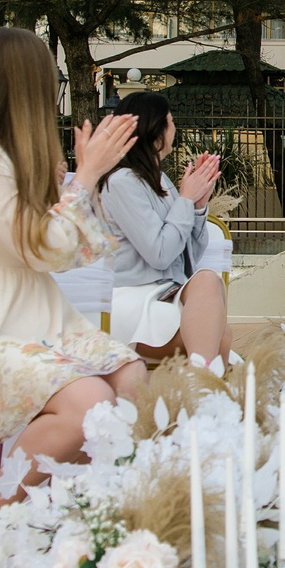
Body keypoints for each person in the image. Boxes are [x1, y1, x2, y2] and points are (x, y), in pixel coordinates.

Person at [0, 27, 142, 568]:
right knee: (89, 404)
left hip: (30, 320)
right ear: (29, 87)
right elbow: (43, 247)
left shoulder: (8, 157)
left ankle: (64, 518)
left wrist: (80, 176)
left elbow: (58, 242)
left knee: (131, 378)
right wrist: (86, 176)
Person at [99, 88, 235, 367]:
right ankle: (205, 388)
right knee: (214, 313)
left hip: (166, 292)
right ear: (155, 130)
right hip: (135, 296)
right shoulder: (122, 182)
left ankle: (202, 388)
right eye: (170, 121)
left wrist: (197, 205)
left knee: (221, 330)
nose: (175, 128)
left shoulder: (160, 181)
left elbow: (187, 258)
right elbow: (159, 253)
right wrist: (185, 200)